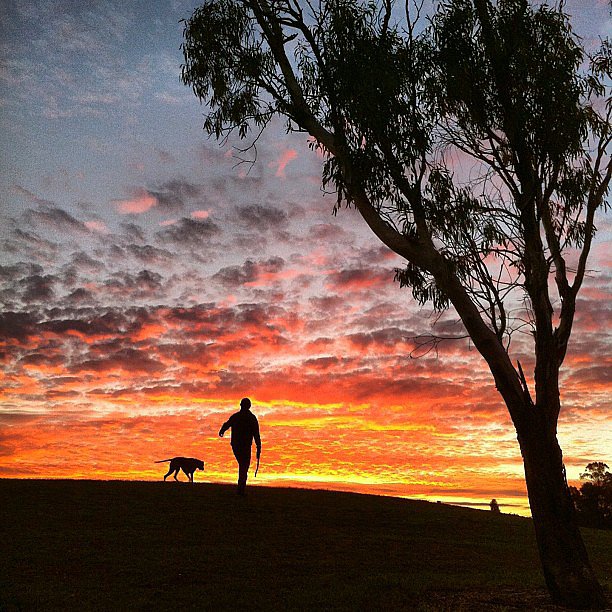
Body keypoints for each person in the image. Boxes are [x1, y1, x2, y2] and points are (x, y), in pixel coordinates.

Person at [219, 397, 261, 495]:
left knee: (243, 466)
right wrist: (258, 447)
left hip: (237, 445)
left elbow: (227, 424)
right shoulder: (250, 418)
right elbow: (256, 434)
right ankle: (240, 490)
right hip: (243, 446)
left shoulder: (238, 416)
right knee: (244, 466)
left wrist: (222, 430)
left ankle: (240, 489)